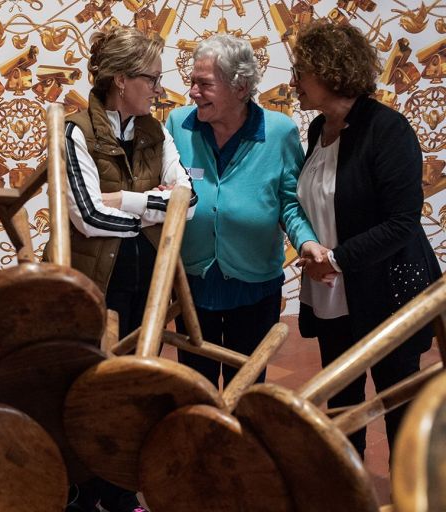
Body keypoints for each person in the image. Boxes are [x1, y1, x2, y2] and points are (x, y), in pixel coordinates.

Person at [291, 20, 440, 459]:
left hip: (387, 293)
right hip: (333, 293)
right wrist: (312, 249)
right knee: (343, 405)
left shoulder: (387, 129)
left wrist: (335, 259)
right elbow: (316, 202)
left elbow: (403, 222)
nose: (293, 81)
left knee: (399, 409)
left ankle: (411, 499)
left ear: (330, 71)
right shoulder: (320, 130)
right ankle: (347, 492)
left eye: (301, 71)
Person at [62, 25, 195, 512]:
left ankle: (119, 493)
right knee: (93, 387)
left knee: (138, 387)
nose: (159, 90)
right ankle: (82, 491)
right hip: (97, 287)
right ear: (121, 80)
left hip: (150, 288)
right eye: (152, 79)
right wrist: (150, 206)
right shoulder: (75, 130)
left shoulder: (156, 132)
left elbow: (188, 200)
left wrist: (125, 199)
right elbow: (88, 217)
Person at [165, 34, 320, 387]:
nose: (192, 92)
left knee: (247, 386)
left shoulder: (278, 132)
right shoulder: (178, 124)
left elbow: (289, 201)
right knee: (195, 386)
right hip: (191, 283)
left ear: (241, 87)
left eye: (204, 84)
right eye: (192, 82)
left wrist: (307, 241)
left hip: (255, 285)